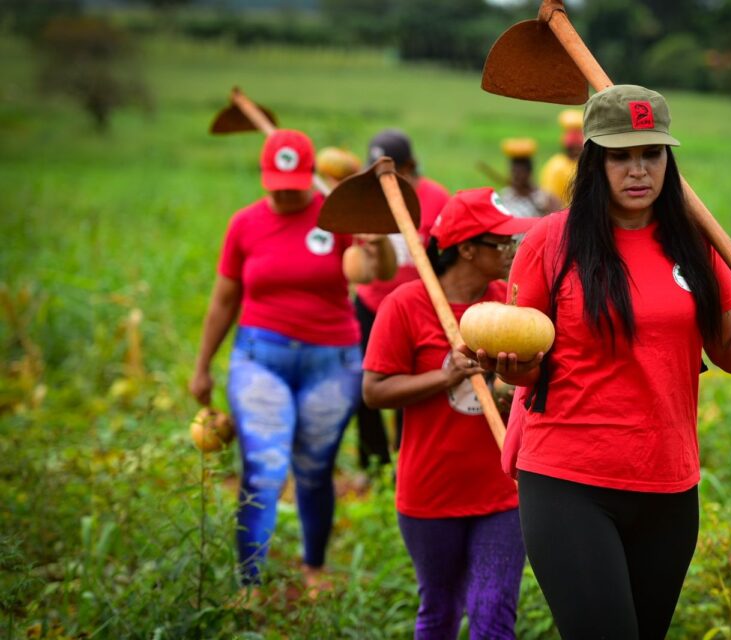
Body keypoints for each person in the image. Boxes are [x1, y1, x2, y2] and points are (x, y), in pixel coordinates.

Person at [469, 85, 731, 639]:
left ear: (668, 159)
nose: (639, 171)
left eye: (651, 154)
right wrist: (513, 371)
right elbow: (529, 357)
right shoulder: (550, 242)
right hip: (569, 477)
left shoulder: (695, 243)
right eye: (620, 156)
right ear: (594, 161)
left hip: (669, 483)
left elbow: (729, 344)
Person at [189, 129, 396, 593]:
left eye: (294, 182)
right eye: (276, 181)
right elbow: (224, 299)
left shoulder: (336, 217)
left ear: (310, 177)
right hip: (261, 359)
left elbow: (376, 272)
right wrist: (202, 364)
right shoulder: (244, 224)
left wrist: (374, 239)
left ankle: (314, 568)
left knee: (314, 468)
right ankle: (250, 584)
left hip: (332, 362)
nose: (285, 191)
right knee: (262, 466)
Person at [362, 188, 537, 639]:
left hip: (501, 491)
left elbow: (524, 386)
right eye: (500, 243)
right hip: (430, 493)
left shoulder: (511, 304)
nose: (510, 251)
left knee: (492, 613)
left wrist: (507, 384)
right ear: (465, 248)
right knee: (439, 609)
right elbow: (374, 391)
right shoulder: (405, 305)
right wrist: (445, 377)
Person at [353, 129, 451, 471]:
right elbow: (366, 270)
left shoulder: (436, 198)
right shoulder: (366, 201)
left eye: (394, 172)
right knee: (366, 390)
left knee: (409, 390)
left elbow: (445, 261)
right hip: (372, 306)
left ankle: (405, 464)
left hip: (420, 310)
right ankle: (375, 466)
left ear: (409, 167)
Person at [498, 137, 563, 218]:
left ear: (529, 172)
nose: (517, 177)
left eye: (521, 173)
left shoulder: (545, 198)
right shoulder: (504, 197)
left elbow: (556, 218)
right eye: (514, 172)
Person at [539, 108, 584, 205]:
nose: (577, 151)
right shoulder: (556, 166)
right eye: (573, 148)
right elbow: (550, 199)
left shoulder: (587, 165)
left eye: (578, 148)